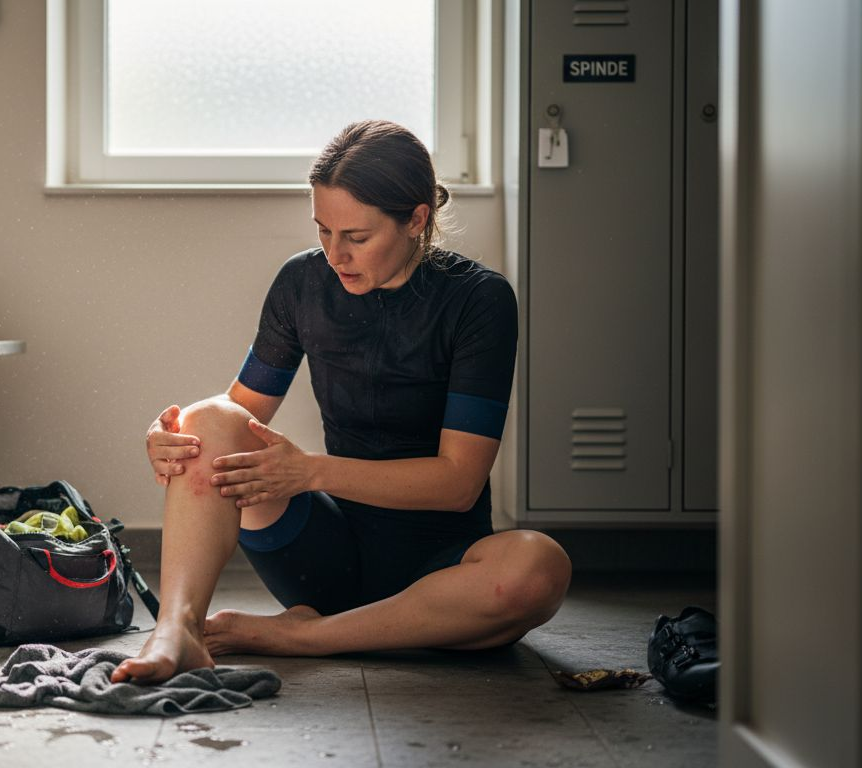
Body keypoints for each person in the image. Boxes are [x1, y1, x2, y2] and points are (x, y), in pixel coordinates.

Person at [112, 120, 572, 685]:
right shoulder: (302, 283)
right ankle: (177, 630)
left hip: (442, 570)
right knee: (208, 419)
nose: (335, 254)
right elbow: (235, 418)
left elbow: (458, 485)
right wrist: (173, 439)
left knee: (538, 567)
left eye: (356, 237)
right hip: (321, 559)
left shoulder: (479, 300)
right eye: (324, 231)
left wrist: (309, 473)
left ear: (416, 219)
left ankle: (305, 636)